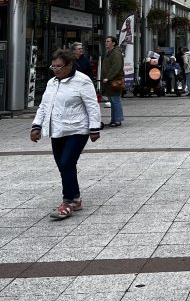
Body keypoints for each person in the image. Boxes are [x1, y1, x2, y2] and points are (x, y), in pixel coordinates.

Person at [31, 48, 101, 219]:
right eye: (53, 67)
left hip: (77, 129)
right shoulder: (52, 83)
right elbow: (44, 106)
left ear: (69, 65)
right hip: (57, 130)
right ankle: (75, 197)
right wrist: (36, 126)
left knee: (67, 163)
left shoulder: (82, 81)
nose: (55, 70)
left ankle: (68, 201)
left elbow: (92, 105)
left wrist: (94, 128)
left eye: (59, 66)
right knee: (63, 166)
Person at [101, 36, 125, 127]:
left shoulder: (116, 53)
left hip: (114, 80)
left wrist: (108, 77)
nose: (106, 43)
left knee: (115, 100)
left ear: (113, 43)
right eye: (106, 41)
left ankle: (118, 120)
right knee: (113, 100)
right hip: (110, 81)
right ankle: (114, 119)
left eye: (108, 41)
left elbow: (116, 66)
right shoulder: (110, 53)